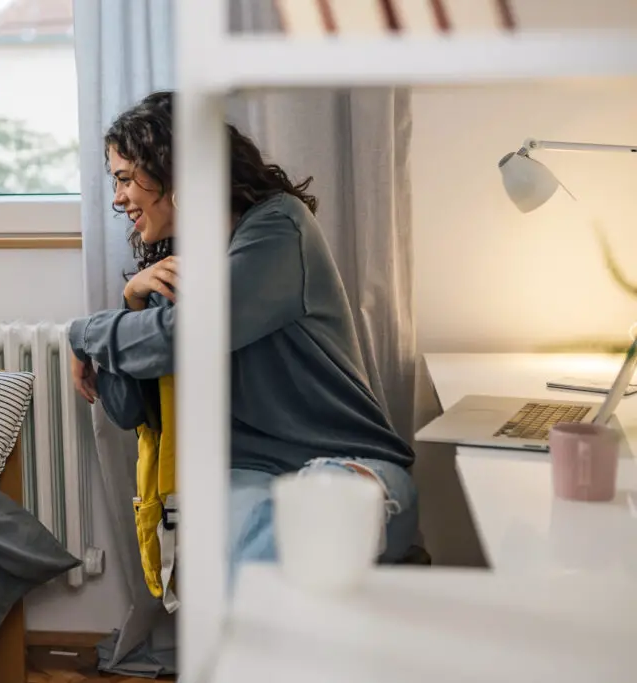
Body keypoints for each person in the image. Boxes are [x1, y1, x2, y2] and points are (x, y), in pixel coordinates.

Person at [68, 91, 419, 585]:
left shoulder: (279, 228)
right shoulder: (172, 269)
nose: (118, 197)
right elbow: (128, 410)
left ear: (175, 171)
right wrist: (131, 302)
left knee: (316, 522)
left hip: (348, 461)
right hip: (246, 476)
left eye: (126, 178)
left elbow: (185, 337)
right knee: (260, 548)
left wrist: (84, 331)